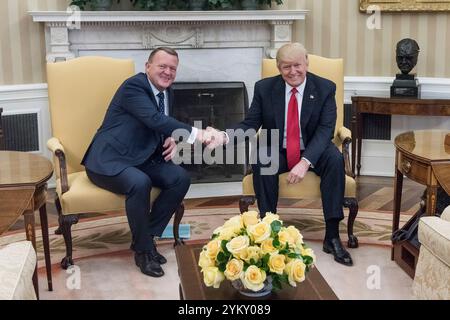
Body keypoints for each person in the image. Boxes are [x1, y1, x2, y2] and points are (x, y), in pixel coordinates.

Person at [208, 43, 353, 266]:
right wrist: (224, 137)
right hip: (279, 147)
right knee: (262, 157)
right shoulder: (265, 89)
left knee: (334, 159)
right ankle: (268, 230)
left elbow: (326, 130)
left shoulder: (325, 88)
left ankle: (331, 236)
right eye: (286, 67)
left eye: (297, 65)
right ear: (278, 67)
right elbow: (251, 124)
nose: (293, 71)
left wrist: (305, 162)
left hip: (314, 146)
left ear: (306, 63)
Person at [81, 47, 211, 277]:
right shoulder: (134, 86)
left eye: (172, 68)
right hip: (109, 159)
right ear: (147, 66)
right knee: (140, 183)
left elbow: (160, 122)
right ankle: (143, 252)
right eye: (162, 66)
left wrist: (171, 136)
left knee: (180, 178)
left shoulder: (167, 91)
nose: (167, 72)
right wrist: (197, 134)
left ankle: (146, 238)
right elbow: (153, 118)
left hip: (143, 157)